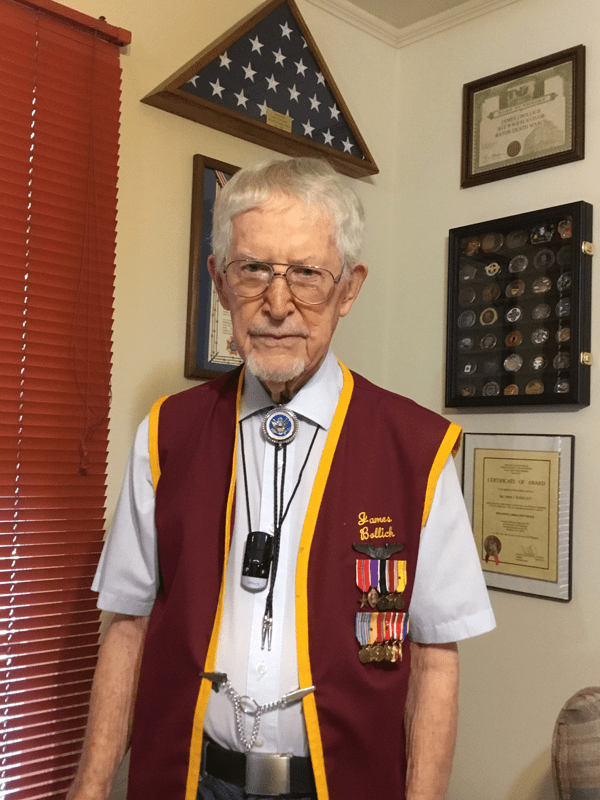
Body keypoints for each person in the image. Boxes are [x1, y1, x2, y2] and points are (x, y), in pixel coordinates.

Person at [67, 157, 495, 800]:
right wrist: (89, 789)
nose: (276, 304)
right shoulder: (166, 433)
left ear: (349, 289)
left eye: (306, 274)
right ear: (219, 281)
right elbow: (127, 626)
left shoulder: (418, 449)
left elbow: (434, 660)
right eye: (253, 270)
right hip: (192, 780)